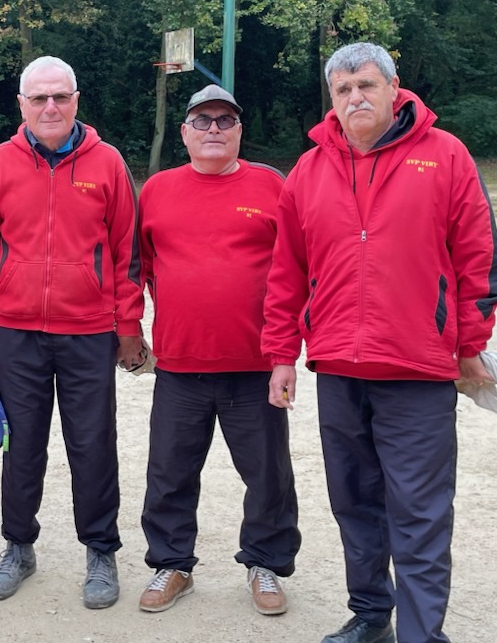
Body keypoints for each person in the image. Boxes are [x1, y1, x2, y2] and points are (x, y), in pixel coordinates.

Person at [262, 42, 497, 643]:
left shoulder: (445, 157)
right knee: (355, 504)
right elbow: (287, 272)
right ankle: (371, 616)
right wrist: (282, 355)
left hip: (418, 367)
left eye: (366, 85)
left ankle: (422, 634)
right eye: (342, 90)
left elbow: (480, 262)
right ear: (331, 101)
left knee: (419, 513)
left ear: (395, 89)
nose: (355, 98)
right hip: (339, 366)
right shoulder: (309, 172)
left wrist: (469, 343)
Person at [0, 55, 146, 609]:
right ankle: (19, 547)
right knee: (22, 448)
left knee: (93, 446)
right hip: (17, 332)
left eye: (60, 97)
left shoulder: (108, 162)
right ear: (21, 104)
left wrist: (129, 326)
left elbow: (127, 253)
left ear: (76, 100)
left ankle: (101, 551)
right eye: (39, 98)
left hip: (89, 332)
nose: (50, 107)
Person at [135, 85, 301, 617]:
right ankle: (172, 563)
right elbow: (142, 267)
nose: (212, 130)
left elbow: (294, 273)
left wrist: (283, 355)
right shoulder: (157, 190)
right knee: (169, 472)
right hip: (181, 365)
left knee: (268, 473)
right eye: (201, 121)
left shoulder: (273, 186)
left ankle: (266, 563)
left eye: (224, 121)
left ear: (239, 132)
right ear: (183, 132)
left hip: (254, 366)